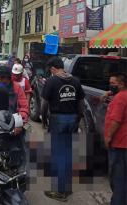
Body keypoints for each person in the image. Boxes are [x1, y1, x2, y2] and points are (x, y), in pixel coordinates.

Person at [41, 57, 85, 201]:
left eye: (50, 69)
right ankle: (66, 188)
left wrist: (44, 119)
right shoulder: (76, 81)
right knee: (68, 154)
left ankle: (60, 192)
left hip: (57, 119)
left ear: (53, 68)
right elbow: (81, 103)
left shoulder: (51, 81)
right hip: (72, 119)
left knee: (59, 155)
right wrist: (77, 119)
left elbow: (44, 104)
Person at [104, 73, 127, 205]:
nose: (111, 85)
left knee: (118, 179)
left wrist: (108, 137)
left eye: (114, 83)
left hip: (119, 144)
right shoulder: (120, 96)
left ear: (122, 84)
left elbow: (116, 121)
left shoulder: (120, 98)